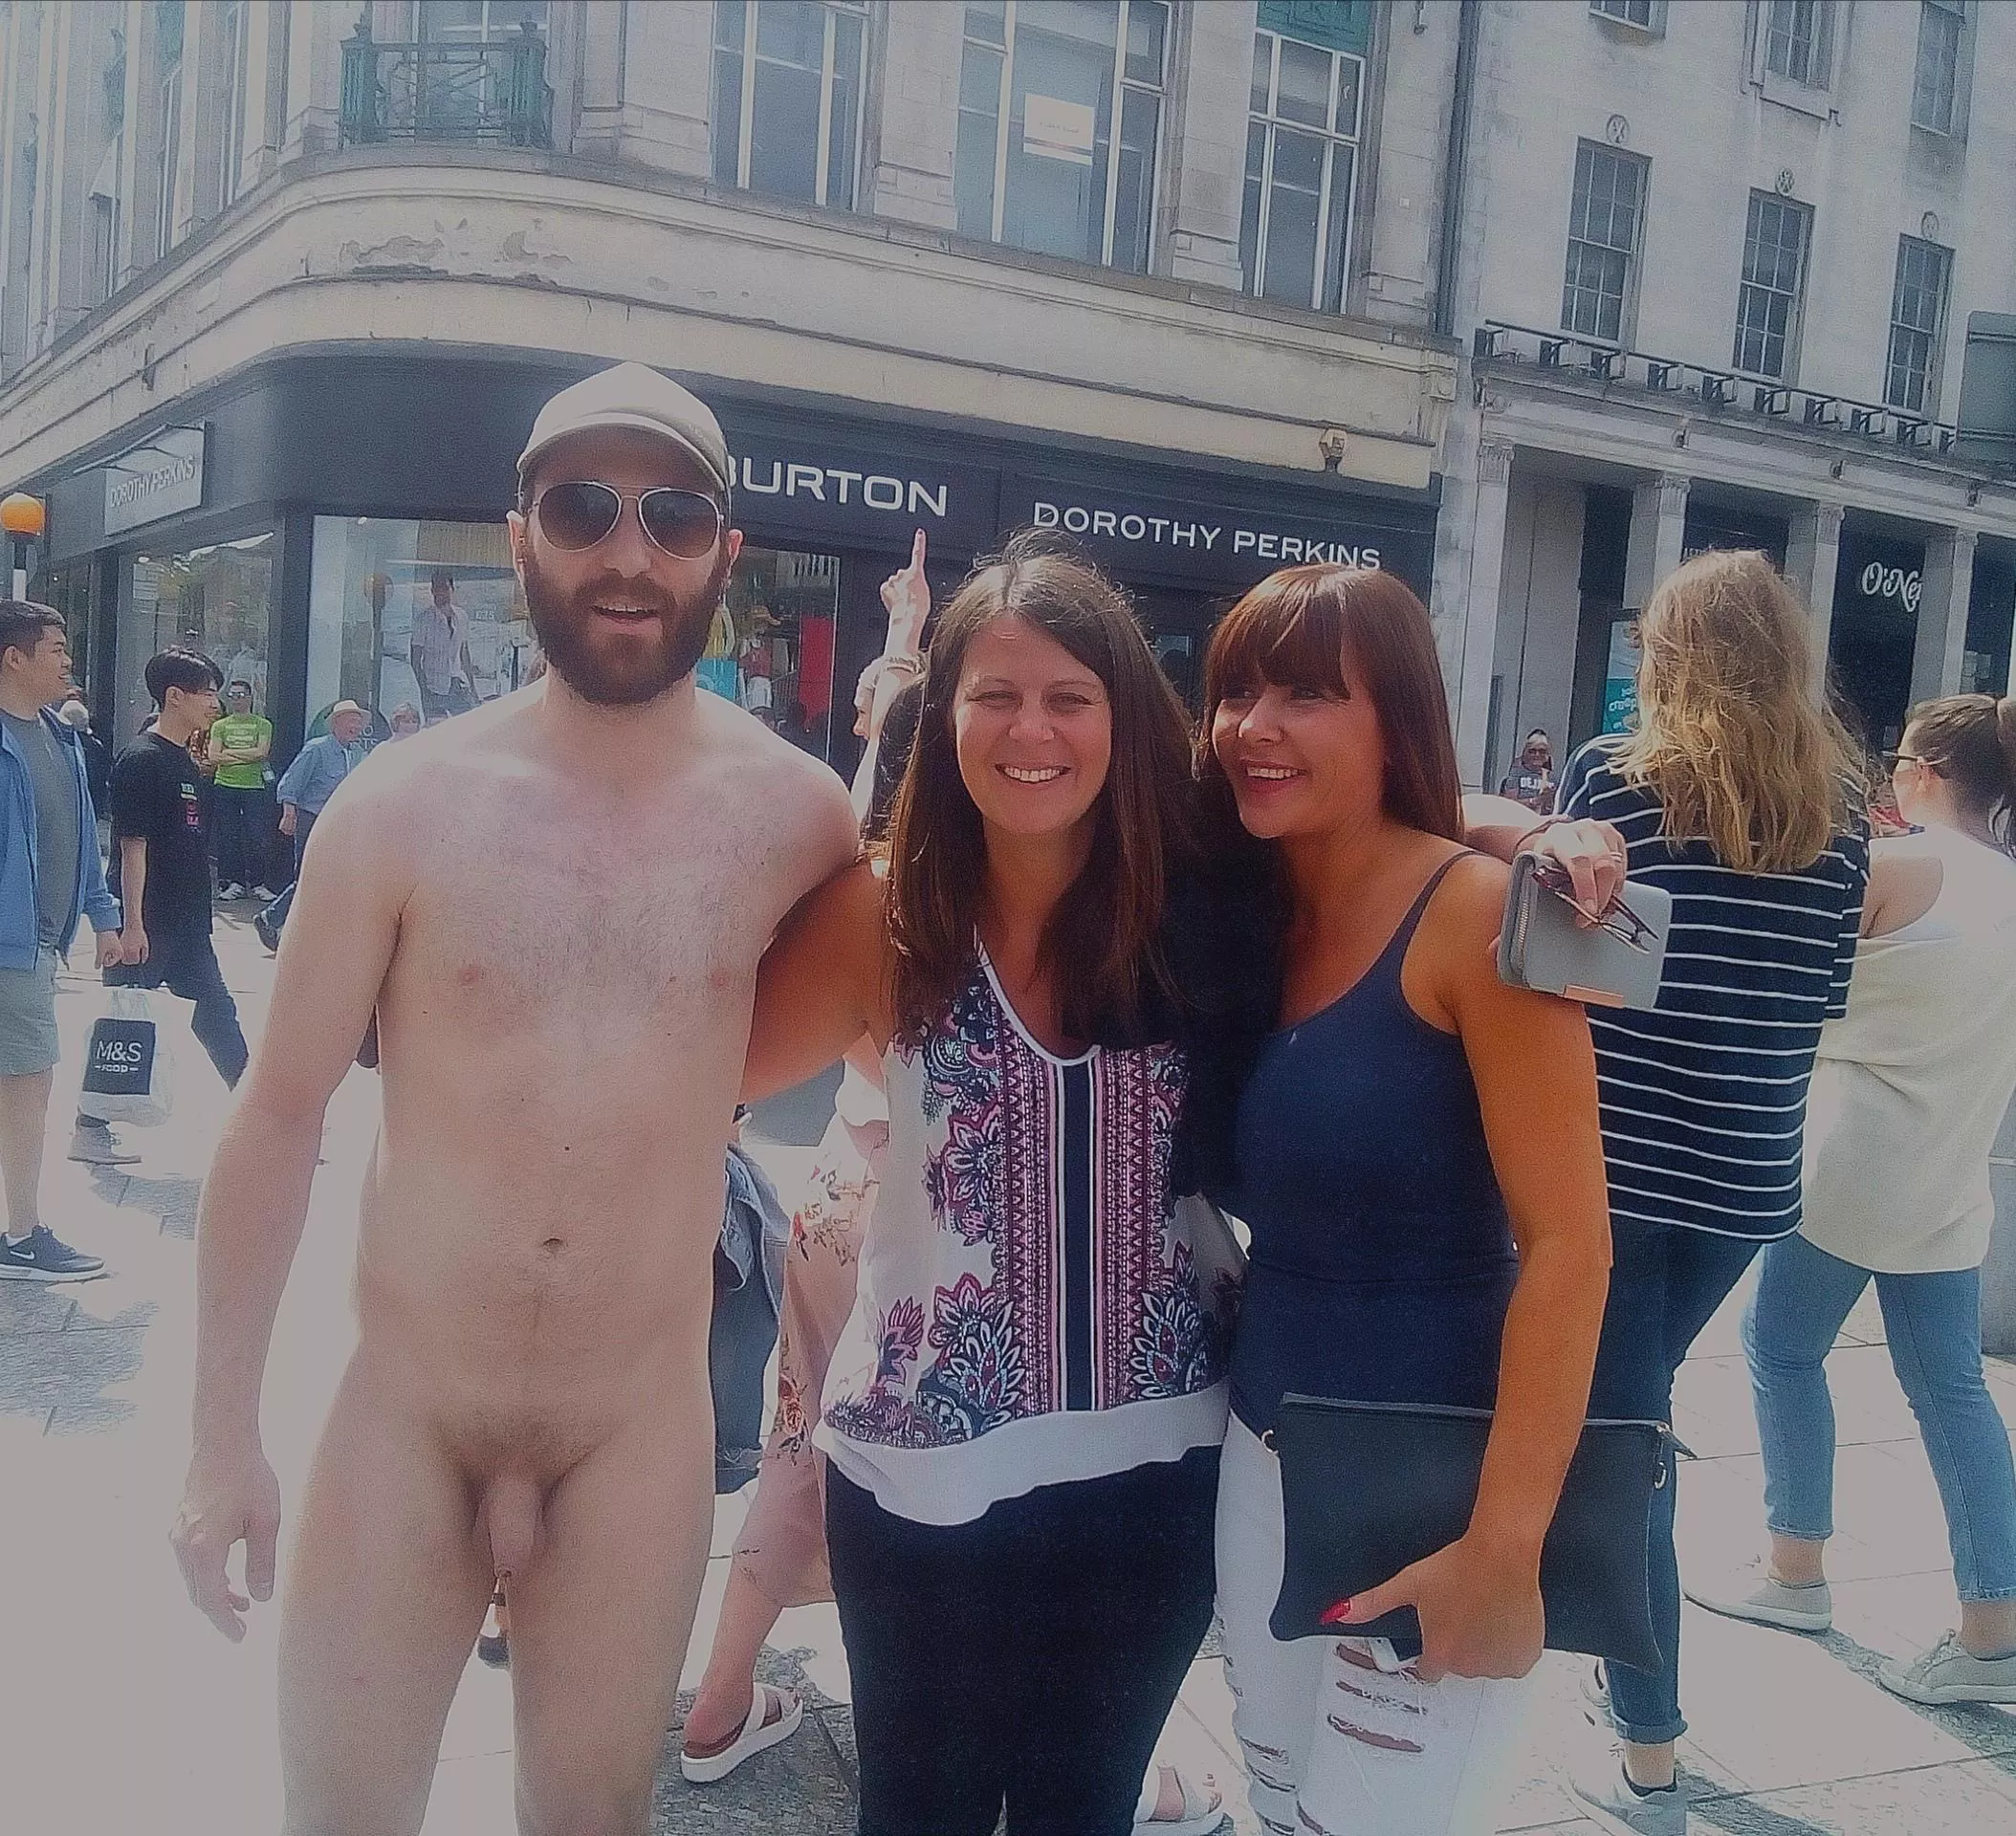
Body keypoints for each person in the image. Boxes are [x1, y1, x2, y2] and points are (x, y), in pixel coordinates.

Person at [169, 361, 858, 1836]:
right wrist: (222, 1438)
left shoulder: (801, 817)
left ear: (722, 552)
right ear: (520, 534)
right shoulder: (401, 804)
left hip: (635, 1431)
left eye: (673, 515)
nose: (630, 551)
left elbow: (950, 980)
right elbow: (280, 1115)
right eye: (585, 509)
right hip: (406, 1415)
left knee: (592, 1816)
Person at [737, 543, 1245, 1836]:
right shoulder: (883, 913)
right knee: (922, 1811)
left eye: (1070, 696)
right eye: (995, 695)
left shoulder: (1204, 900)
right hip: (923, 1469)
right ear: (943, 712)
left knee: (1087, 1809)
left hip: (1164, 1456)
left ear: (1125, 719)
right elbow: (698, 1078)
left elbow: (1393, 839)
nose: (1032, 729)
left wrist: (1533, 827)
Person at [1201, 566, 1611, 1836]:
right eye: (1236, 691)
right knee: (1280, 1806)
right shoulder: (1245, 908)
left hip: (1436, 1484)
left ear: (1397, 723)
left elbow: (1570, 1247)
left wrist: (1505, 1548)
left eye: (1307, 695)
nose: (1254, 726)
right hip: (1260, 1457)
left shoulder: (1482, 917)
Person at [1468, 549, 1870, 1834]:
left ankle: (1648, 1741)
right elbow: (1825, 1007)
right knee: (1627, 1420)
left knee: (1628, 1445)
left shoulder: (1615, 783)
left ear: (1674, 655)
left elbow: (1553, 965)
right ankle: (1615, 1676)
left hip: (1617, 1165)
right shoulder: (1844, 817)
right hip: (1746, 1180)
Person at [1691, 692, 2016, 1708]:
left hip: (1849, 1161)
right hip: (1951, 1173)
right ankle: (1990, 1623)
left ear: (1918, 770)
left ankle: (1794, 1567)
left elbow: (1796, 998)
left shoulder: (1895, 869)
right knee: (1950, 1388)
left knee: (1780, 1348)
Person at [0, 603, 125, 1278]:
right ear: (13, 657)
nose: (67, 661)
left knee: (23, 1079)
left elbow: (78, 833)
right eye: (54, 649)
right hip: (9, 942)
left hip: (41, 943)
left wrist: (104, 913)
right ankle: (21, 1235)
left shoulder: (59, 734)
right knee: (28, 1082)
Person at [92, 648, 250, 1111]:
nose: (215, 703)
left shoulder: (186, 761)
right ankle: (91, 1122)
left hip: (187, 925)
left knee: (218, 1015)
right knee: (123, 1026)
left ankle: (255, 1114)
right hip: (147, 922)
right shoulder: (142, 759)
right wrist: (132, 924)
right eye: (207, 693)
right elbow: (131, 848)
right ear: (174, 696)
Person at [254, 701, 371, 950]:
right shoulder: (317, 749)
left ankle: (309, 931)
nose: (356, 726)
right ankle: (271, 917)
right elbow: (291, 782)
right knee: (310, 875)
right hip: (312, 818)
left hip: (340, 822)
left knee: (332, 876)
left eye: (358, 721)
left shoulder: (356, 753)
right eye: (351, 720)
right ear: (336, 723)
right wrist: (288, 813)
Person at [208, 679, 274, 900]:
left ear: (249, 697)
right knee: (229, 837)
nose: (237, 700)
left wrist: (230, 755)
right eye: (232, 695)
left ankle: (258, 883)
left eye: (241, 695)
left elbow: (262, 753)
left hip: (253, 786)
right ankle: (232, 882)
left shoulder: (262, 724)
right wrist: (247, 754)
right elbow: (214, 756)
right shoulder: (220, 725)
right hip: (225, 785)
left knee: (256, 836)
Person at [410, 569, 477, 722]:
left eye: (445, 588)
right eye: (437, 588)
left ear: (452, 589)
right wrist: (424, 689)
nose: (441, 592)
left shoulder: (461, 616)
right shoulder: (424, 620)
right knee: (435, 729)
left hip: (456, 683)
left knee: (468, 724)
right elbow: (415, 659)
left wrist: (473, 687)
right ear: (432, 590)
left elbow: (464, 653)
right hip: (433, 686)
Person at [56, 697, 110, 816]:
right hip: (92, 805)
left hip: (67, 807)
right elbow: (103, 776)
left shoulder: (59, 746)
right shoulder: (96, 745)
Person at [1498, 729, 1556, 814]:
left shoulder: (1553, 778)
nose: (1537, 755)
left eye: (1542, 751)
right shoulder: (1517, 773)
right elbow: (1508, 803)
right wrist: (1534, 801)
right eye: (1532, 751)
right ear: (1525, 752)